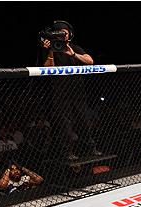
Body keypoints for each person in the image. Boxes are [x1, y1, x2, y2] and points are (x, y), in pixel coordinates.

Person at [41, 20, 101, 161]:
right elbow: (48, 69)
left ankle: (90, 148)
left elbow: (90, 61)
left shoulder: (75, 48)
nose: (63, 36)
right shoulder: (52, 50)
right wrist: (50, 51)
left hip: (78, 92)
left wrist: (73, 54)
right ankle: (67, 152)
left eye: (65, 33)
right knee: (65, 124)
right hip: (60, 93)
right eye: (60, 33)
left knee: (84, 121)